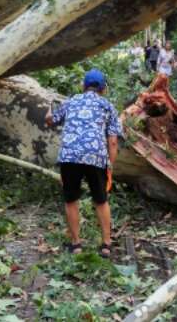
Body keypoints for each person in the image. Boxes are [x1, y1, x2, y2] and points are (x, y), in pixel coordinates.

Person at [45, 69, 122, 258]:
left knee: (71, 199)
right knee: (101, 200)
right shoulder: (108, 106)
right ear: (103, 89)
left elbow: (50, 121)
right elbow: (112, 141)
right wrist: (110, 165)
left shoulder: (70, 102)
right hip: (95, 156)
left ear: (83, 86)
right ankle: (106, 244)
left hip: (69, 156)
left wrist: (49, 108)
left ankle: (76, 244)